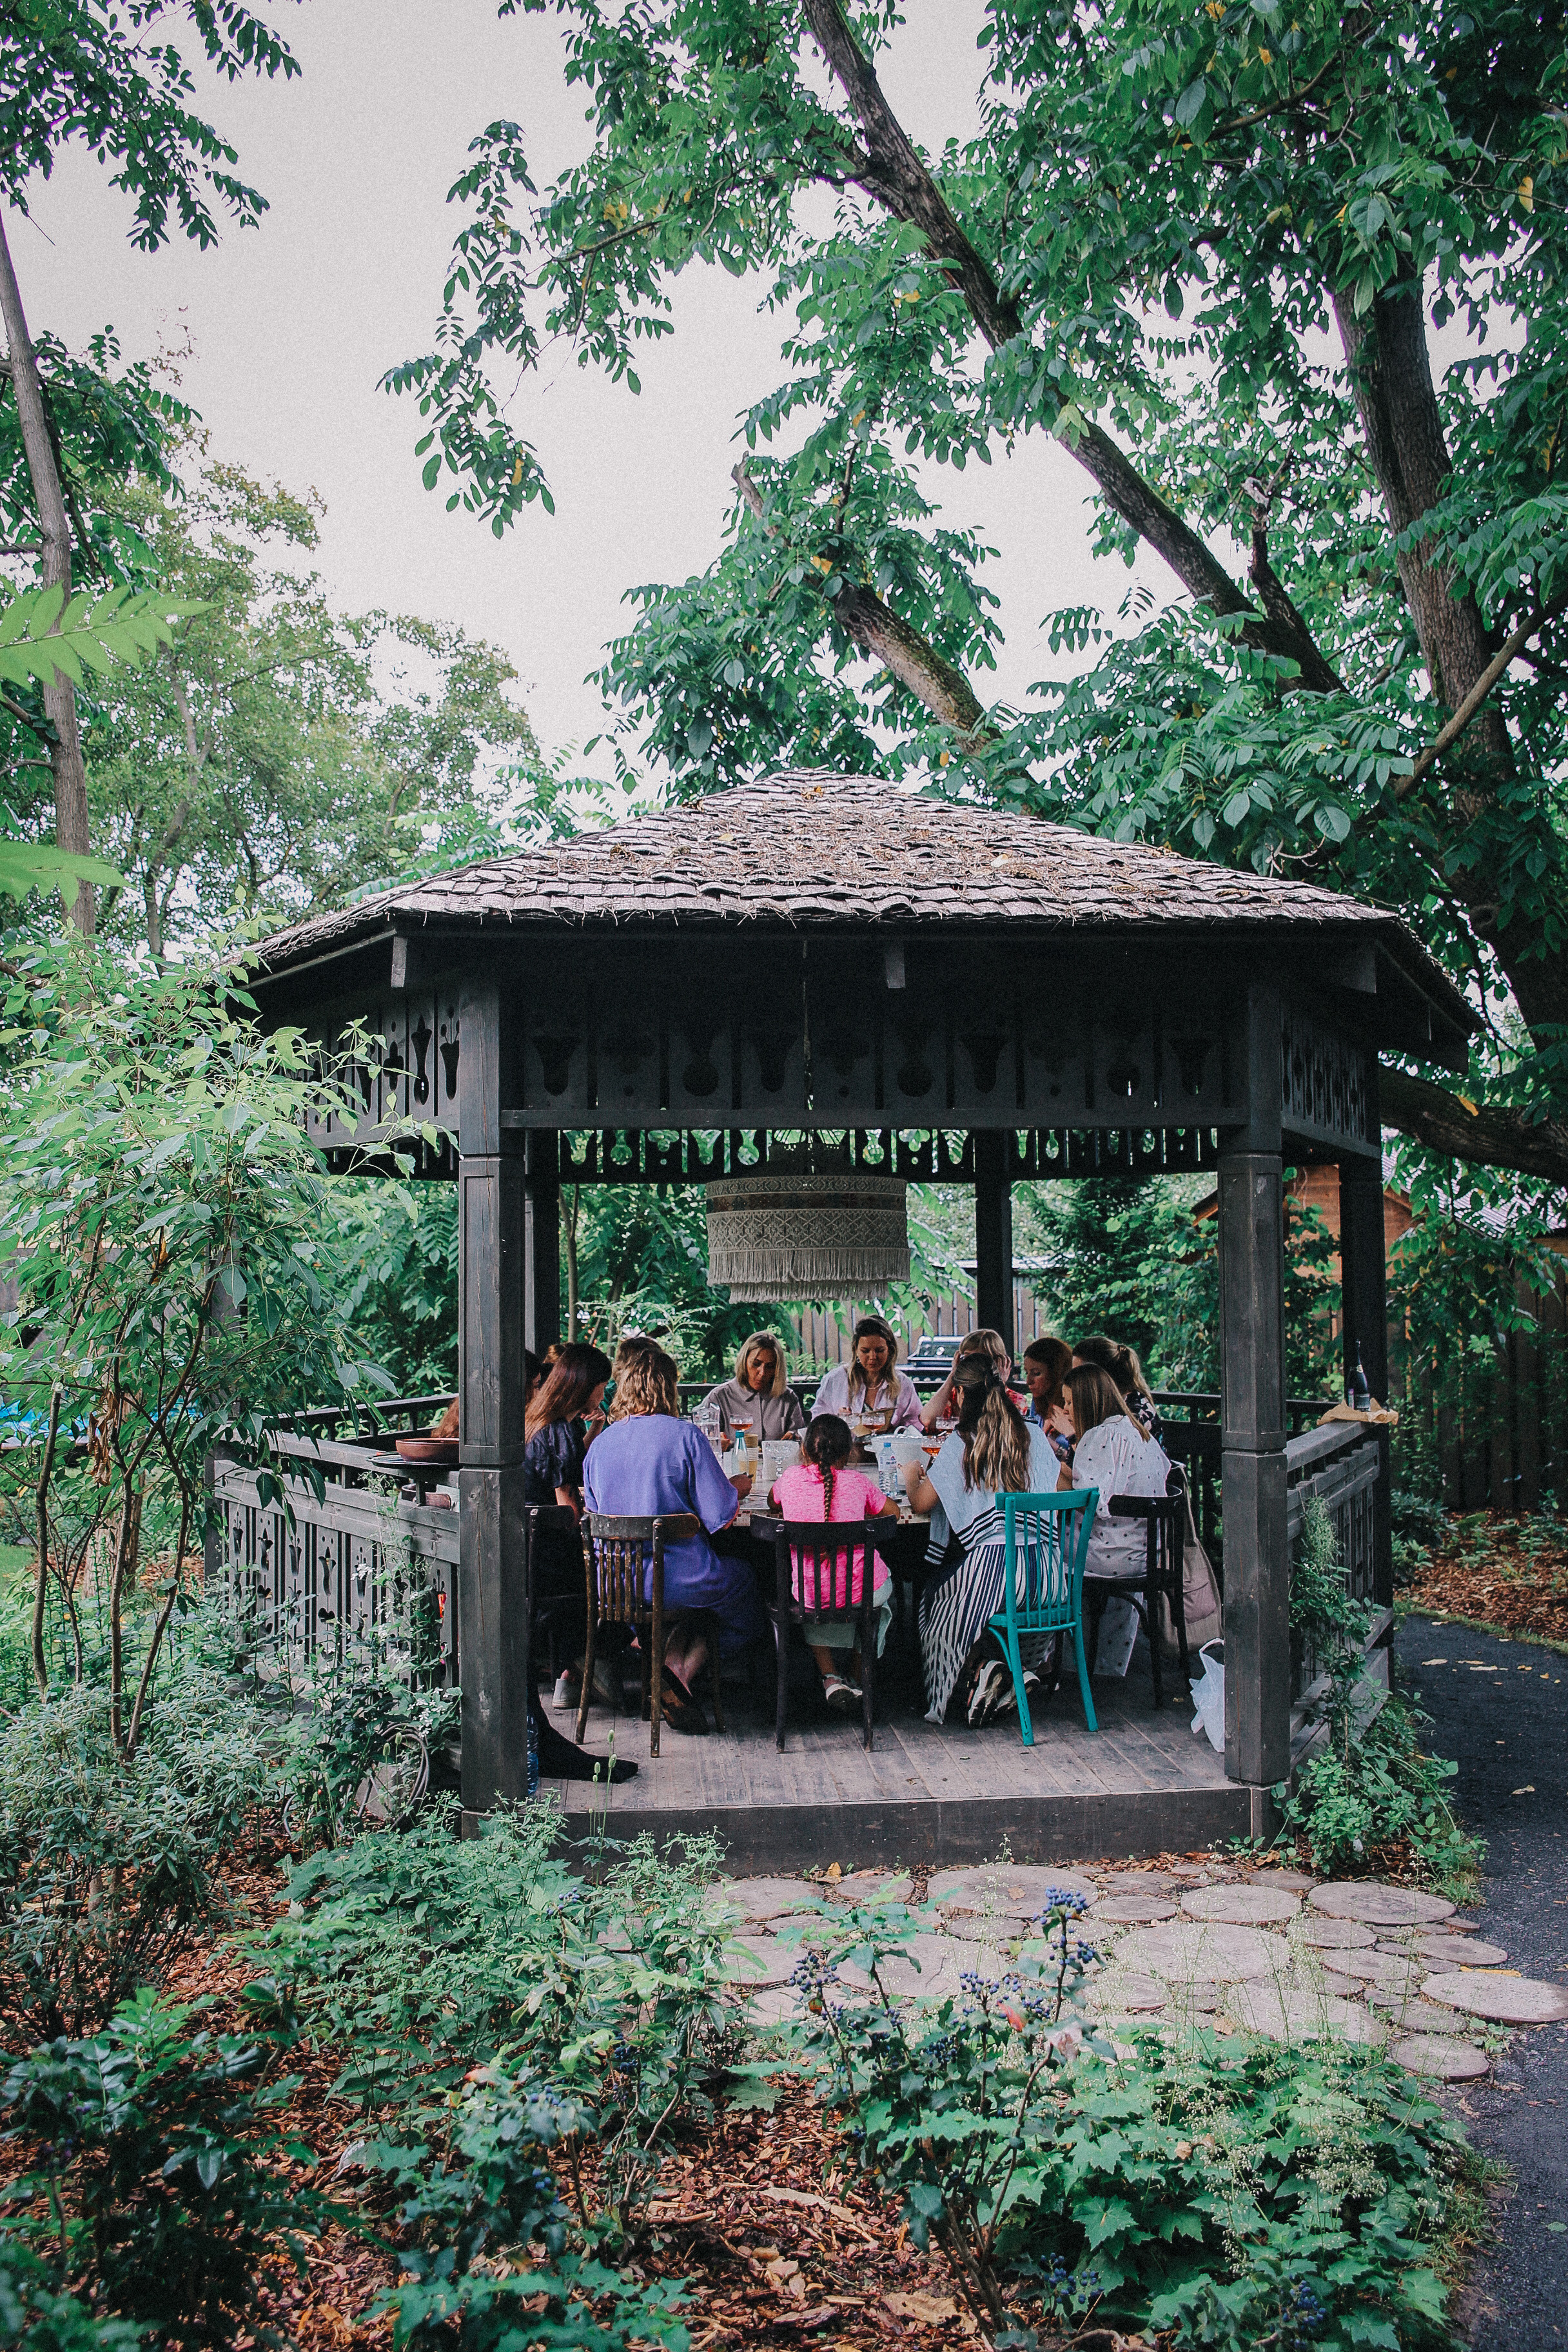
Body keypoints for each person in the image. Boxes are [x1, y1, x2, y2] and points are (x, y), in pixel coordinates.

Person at [582, 1339, 763, 1734]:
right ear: (668, 1388)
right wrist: (738, 1487)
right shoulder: (686, 1436)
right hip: (682, 1579)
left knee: (680, 1608)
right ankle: (684, 1667)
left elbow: (595, 1515)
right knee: (747, 1585)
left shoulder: (599, 1446)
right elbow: (720, 1517)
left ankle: (669, 1665)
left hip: (618, 1585)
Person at [899, 1357, 1062, 1726]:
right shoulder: (1033, 1434)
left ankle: (983, 1668)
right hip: (1049, 1579)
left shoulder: (962, 1442)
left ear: (957, 1395)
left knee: (934, 1600)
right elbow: (1058, 1485)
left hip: (1001, 1575)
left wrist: (912, 1475)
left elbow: (923, 1502)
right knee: (964, 1589)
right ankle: (1001, 1673)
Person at [770, 1413, 897, 1712]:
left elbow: (773, 1503)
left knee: (812, 1596)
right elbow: (891, 1513)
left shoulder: (789, 1479)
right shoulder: (859, 1483)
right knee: (877, 1599)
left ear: (804, 1451)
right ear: (850, 1452)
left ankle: (830, 1678)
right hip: (863, 1588)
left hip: (813, 1594)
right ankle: (856, 1675)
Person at [1059, 1363, 1173, 1579]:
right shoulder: (1137, 1431)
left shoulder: (1103, 1436)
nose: (1065, 1409)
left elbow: (1088, 1503)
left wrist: (1050, 1467)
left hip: (1114, 1554)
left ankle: (1060, 1610)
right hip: (1146, 1553)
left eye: (1070, 1402)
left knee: (1039, 1539)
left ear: (1087, 1403)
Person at [524, 1343, 611, 1513]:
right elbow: (569, 1512)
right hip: (548, 1534)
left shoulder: (539, 1420)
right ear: (586, 1386)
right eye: (603, 1386)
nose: (602, 1397)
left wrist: (597, 1425)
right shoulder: (559, 1431)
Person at [811, 1315, 923, 1432]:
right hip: (844, 1449)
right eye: (865, 1351)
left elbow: (915, 1426)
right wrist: (837, 1421)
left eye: (879, 1351)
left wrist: (893, 1429)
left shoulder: (902, 1384)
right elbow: (818, 1423)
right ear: (856, 1350)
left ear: (889, 1350)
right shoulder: (836, 1379)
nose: (873, 1357)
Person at [701, 1331, 807, 1444]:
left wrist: (795, 1438)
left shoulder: (787, 1398)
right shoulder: (719, 1397)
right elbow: (700, 1439)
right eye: (756, 1364)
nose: (762, 1373)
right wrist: (715, 1442)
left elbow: (800, 1440)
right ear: (744, 1362)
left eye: (770, 1367)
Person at [921, 1327, 1022, 1431]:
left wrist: (998, 1384)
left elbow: (998, 1430)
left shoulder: (1013, 1398)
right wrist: (954, 1375)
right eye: (967, 1358)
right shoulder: (955, 1395)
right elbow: (928, 1420)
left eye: (979, 1359)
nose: (971, 1364)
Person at [1072, 1334, 1161, 1436]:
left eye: (1079, 1376)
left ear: (1101, 1376)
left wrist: (1071, 1434)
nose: (1074, 1382)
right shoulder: (1112, 1403)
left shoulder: (1134, 1415)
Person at [1021, 1336, 1075, 1460]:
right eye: (1027, 1373)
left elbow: (1082, 1464)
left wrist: (1046, 1443)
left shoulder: (1072, 1406)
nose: (1028, 1381)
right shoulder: (1040, 1402)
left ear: (1055, 1373)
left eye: (1036, 1374)